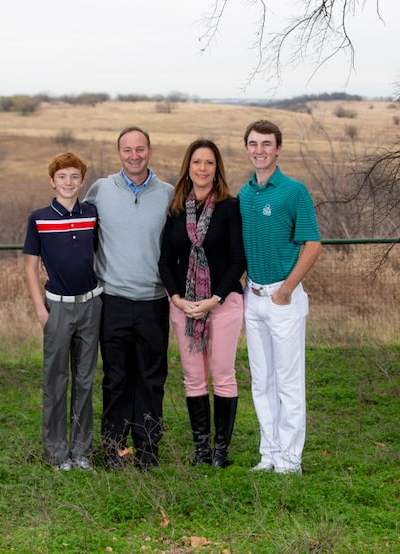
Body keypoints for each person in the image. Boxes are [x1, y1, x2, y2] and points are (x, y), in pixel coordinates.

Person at [84, 127, 174, 470]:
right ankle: (114, 449)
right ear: (118, 153)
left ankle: (148, 449)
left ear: (150, 151)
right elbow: (80, 232)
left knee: (151, 378)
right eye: (127, 150)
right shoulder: (101, 190)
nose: (133, 155)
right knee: (117, 377)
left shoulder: (167, 194)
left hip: (153, 300)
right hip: (114, 300)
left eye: (140, 149)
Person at [238, 120, 322, 475]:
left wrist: (287, 289)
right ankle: (269, 454)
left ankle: (290, 460)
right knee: (262, 381)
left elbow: (313, 244)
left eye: (266, 144)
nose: (260, 150)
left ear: (278, 149)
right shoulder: (244, 194)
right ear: (247, 149)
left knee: (288, 382)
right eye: (254, 144)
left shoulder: (293, 191)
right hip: (252, 297)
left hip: (282, 299)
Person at [158, 139, 246, 468]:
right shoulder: (177, 210)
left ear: (217, 169)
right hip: (185, 307)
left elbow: (239, 259)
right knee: (193, 377)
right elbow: (166, 261)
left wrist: (213, 299)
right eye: (197, 162)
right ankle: (201, 450)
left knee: (222, 374)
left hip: (222, 304)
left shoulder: (229, 207)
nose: (203, 168)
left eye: (209, 163)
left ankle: (220, 451)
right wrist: (177, 298)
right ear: (188, 168)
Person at [22, 152, 102, 472]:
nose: (68, 183)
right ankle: (56, 454)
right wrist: (41, 310)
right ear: (51, 181)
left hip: (90, 305)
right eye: (62, 177)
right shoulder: (39, 218)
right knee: (56, 380)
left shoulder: (92, 214)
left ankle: (80, 452)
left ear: (82, 181)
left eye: (74, 177)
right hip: (56, 307)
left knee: (84, 380)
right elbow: (29, 268)